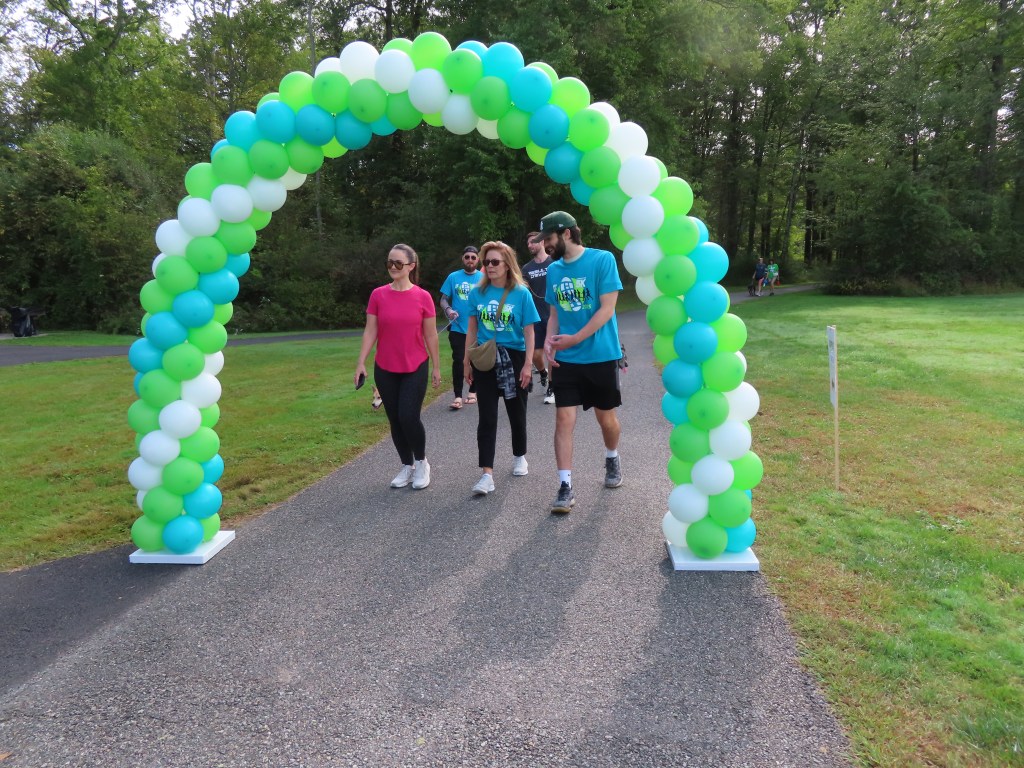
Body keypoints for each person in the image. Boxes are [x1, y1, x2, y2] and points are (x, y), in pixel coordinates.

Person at [532, 211, 624, 514]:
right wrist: (550, 342)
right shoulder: (554, 270)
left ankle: (612, 456)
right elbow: (555, 314)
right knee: (563, 419)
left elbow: (607, 309)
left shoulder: (602, 260)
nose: (545, 245)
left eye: (548, 238)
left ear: (567, 234)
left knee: (605, 419)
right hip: (567, 359)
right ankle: (565, 486)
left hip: (600, 354)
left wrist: (575, 338)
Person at [355, 244, 441, 490]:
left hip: (415, 365)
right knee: (394, 418)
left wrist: (436, 367)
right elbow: (371, 330)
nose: (392, 267)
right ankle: (407, 465)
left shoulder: (423, 297)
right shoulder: (378, 295)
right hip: (385, 367)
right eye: (389, 262)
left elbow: (431, 335)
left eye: (398, 263)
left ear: (411, 266)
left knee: (408, 416)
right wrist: (361, 362)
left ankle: (421, 462)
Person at [464, 241, 540, 496]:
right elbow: (472, 328)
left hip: (514, 357)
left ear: (507, 264)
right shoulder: (477, 293)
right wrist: (466, 361)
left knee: (516, 412)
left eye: (495, 262)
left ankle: (519, 456)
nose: (489, 266)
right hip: (486, 358)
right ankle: (487, 474)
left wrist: (528, 365)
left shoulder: (521, 293)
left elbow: (529, 332)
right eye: (486, 262)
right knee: (486, 417)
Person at [439, 245, 483, 410]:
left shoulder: (483, 277)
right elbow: (443, 299)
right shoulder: (453, 277)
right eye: (467, 257)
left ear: (478, 260)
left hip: (479, 329)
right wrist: (449, 310)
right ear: (462, 259)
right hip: (458, 328)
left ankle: (473, 391)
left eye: (473, 257)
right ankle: (457, 395)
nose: (470, 260)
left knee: (476, 360)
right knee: (458, 360)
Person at [522, 232, 556, 405]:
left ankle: (552, 387)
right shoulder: (526, 269)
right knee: (536, 354)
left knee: (551, 353)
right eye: (528, 243)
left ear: (542, 242)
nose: (529, 245)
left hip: (553, 316)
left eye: (533, 242)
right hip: (535, 317)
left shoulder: (554, 262)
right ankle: (542, 372)